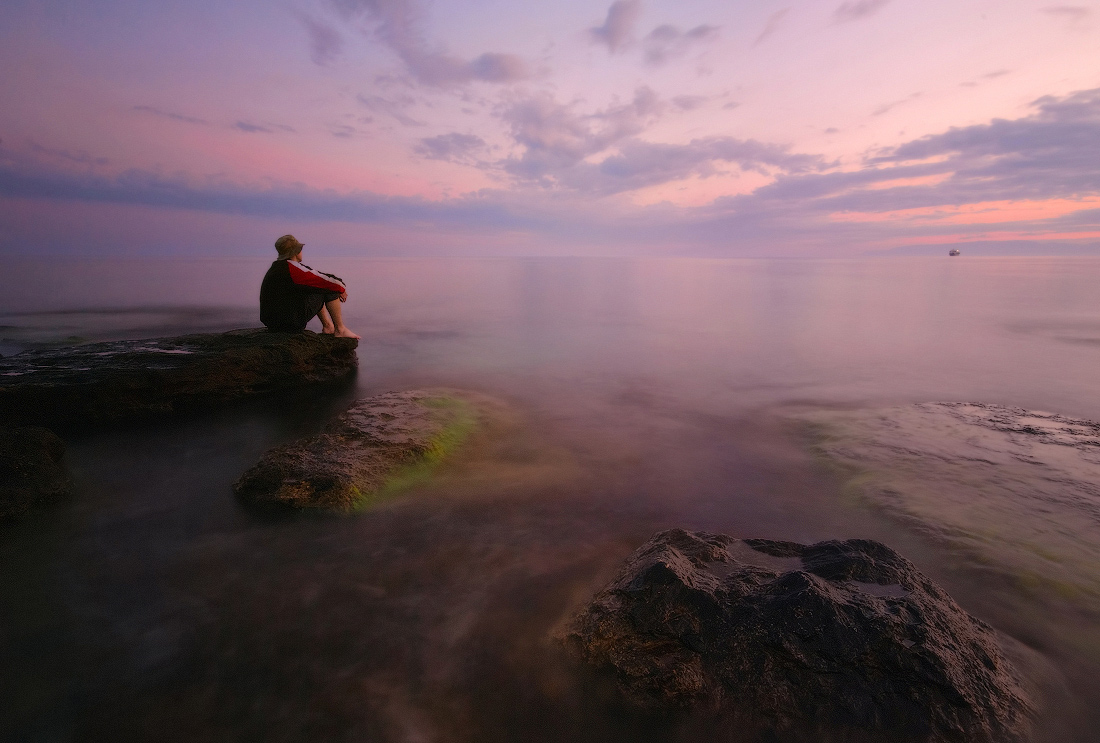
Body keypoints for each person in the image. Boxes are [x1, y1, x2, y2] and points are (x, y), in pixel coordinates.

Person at [259, 235, 360, 338]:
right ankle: (340, 329)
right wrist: (340, 288)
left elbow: (317, 276)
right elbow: (330, 283)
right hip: (289, 324)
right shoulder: (292, 270)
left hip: (272, 323)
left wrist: (337, 285)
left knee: (316, 286)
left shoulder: (277, 267)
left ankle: (328, 326)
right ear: (296, 251)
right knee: (329, 289)